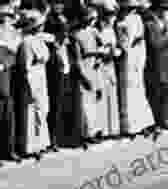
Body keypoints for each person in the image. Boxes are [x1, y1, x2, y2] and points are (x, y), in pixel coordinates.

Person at [15, 9, 52, 160]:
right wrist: (30, 85)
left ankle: (41, 143)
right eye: (40, 25)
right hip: (32, 79)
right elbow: (26, 66)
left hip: (41, 76)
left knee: (42, 110)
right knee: (32, 111)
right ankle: (30, 146)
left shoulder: (39, 40)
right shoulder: (26, 42)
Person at [116, 0, 155, 138]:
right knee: (129, 89)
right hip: (128, 56)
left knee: (137, 87)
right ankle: (131, 126)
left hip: (136, 55)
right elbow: (124, 43)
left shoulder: (136, 19)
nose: (131, 10)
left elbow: (139, 39)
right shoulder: (121, 22)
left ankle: (142, 122)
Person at [145, 0, 168, 135]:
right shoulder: (150, 25)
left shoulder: (167, 24)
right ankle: (163, 120)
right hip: (158, 62)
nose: (166, 12)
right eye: (164, 9)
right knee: (162, 90)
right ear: (157, 10)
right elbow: (155, 44)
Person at [72, 6, 104, 147]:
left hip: (95, 68)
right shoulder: (76, 36)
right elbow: (77, 60)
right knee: (85, 104)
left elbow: (103, 47)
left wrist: (99, 58)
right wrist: (84, 76)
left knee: (95, 102)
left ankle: (95, 132)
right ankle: (85, 135)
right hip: (84, 69)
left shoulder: (94, 32)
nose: (91, 21)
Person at [44, 0, 71, 150]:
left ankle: (60, 136)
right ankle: (52, 138)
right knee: (54, 102)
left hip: (63, 62)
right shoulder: (49, 20)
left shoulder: (62, 19)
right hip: (54, 65)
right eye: (57, 3)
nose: (60, 6)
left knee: (61, 101)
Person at [97, 2, 122, 140]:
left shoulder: (112, 30)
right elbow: (96, 49)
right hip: (101, 65)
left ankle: (113, 129)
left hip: (110, 64)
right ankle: (103, 130)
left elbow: (117, 48)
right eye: (108, 15)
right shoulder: (98, 31)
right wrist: (105, 52)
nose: (110, 18)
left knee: (112, 95)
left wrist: (115, 52)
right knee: (102, 96)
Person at [0, 1, 20, 164]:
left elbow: (13, 54)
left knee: (9, 113)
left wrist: (5, 63)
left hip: (9, 74)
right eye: (4, 17)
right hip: (2, 76)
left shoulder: (13, 33)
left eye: (8, 17)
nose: (6, 20)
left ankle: (9, 149)